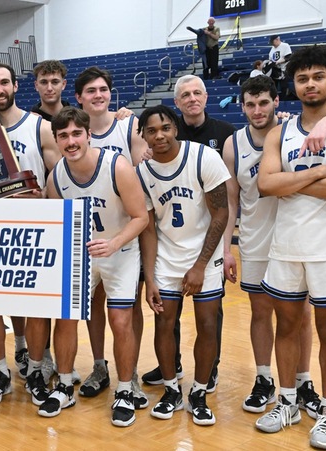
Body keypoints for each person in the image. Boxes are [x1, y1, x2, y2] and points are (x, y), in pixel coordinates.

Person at [222, 75, 326, 417]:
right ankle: (264, 379)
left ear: (277, 102)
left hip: (301, 236)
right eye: (250, 104)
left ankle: (302, 383)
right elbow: (232, 200)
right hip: (258, 237)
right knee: (262, 313)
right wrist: (227, 246)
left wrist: (288, 181)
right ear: (241, 107)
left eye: (263, 102)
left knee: (301, 317)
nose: (257, 110)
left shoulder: (295, 129)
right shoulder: (234, 143)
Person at [255, 44, 326, 450]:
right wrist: (323, 170)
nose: (310, 84)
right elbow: (266, 185)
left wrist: (295, 181)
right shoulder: (279, 132)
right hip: (286, 243)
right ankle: (286, 401)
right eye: (302, 78)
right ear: (294, 83)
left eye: (318, 76)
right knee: (285, 327)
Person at [0, 62, 61, 407]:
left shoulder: (40, 127)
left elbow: (59, 176)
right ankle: (1, 372)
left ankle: (34, 370)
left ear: (16, 86)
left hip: (33, 227)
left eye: (5, 82)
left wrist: (43, 196)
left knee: (34, 305)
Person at [44, 106, 148, 424]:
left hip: (121, 249)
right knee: (65, 315)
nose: (71, 141)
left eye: (77, 133)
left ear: (89, 135)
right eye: (64, 136)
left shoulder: (116, 166)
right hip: (83, 252)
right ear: (57, 140)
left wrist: (114, 243)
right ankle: (64, 385)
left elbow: (141, 217)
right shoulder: (56, 177)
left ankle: (126, 388)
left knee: (120, 320)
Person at [137, 105, 230, 426]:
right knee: (164, 324)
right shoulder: (143, 173)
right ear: (143, 136)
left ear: (175, 128)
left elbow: (221, 213)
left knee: (206, 324)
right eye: (151, 130)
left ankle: (200, 393)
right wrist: (149, 278)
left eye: (165, 127)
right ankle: (171, 390)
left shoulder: (204, 157)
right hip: (166, 257)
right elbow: (147, 230)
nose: (159, 135)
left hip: (206, 256)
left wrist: (201, 266)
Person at [73, 65, 150, 406]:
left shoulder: (128, 125)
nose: (98, 95)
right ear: (80, 98)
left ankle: (128, 376)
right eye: (91, 91)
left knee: (128, 308)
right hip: (89, 235)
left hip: (128, 230)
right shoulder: (73, 131)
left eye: (103, 89)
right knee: (93, 305)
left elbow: (139, 176)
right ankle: (100, 366)